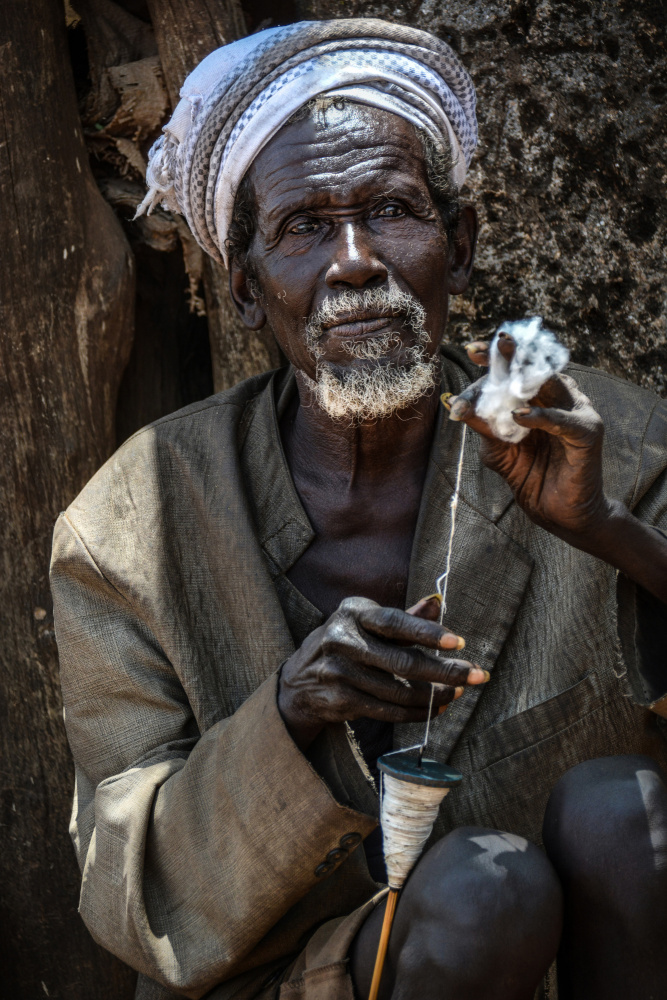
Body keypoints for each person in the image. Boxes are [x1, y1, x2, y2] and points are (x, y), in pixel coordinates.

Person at [51, 18, 667, 1000]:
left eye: (391, 209)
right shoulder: (129, 527)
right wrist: (287, 713)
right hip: (290, 981)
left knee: (617, 809)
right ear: (247, 291)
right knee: (478, 894)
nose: (354, 262)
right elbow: (132, 897)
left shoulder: (614, 446)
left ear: (457, 248)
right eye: (303, 226)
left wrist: (606, 530)